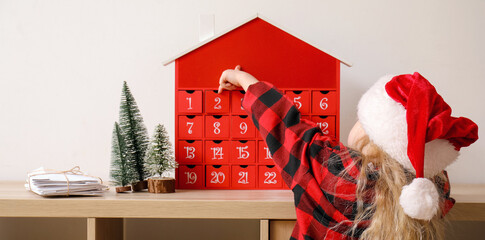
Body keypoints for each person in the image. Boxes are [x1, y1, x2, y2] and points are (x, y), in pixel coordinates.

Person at [218, 66, 479, 240]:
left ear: (369, 132)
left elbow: (284, 125)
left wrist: (243, 80)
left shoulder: (333, 169)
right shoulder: (433, 189)